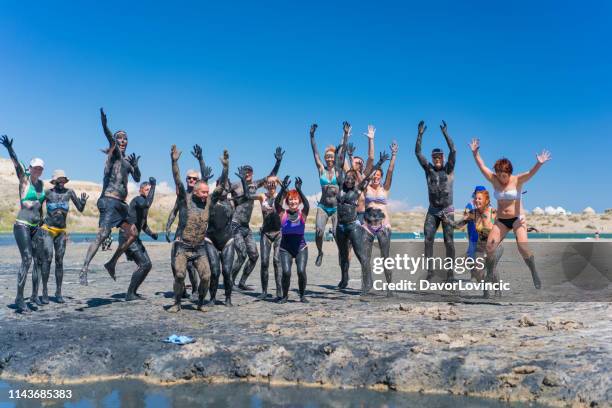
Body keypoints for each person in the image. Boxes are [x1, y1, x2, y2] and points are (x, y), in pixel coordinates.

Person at [470, 138, 551, 291]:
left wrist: (539, 163)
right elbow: (482, 167)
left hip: (517, 219)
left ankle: (533, 271)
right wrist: (475, 153)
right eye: (499, 174)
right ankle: (490, 273)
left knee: (522, 247)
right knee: (490, 246)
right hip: (501, 220)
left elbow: (530, 173)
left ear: (509, 172)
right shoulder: (494, 180)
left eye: (504, 175)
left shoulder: (517, 180)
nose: (502, 178)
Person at [80, 108, 141, 285]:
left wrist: (135, 166)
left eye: (125, 138)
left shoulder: (128, 162)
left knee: (133, 233)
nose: (122, 140)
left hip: (121, 204)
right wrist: (104, 124)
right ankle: (84, 269)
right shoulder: (114, 155)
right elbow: (109, 137)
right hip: (109, 200)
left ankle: (111, 262)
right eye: (119, 138)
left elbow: (137, 177)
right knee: (103, 234)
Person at [335, 122, 389, 293]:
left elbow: (368, 173)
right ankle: (345, 278)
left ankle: (368, 283)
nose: (350, 178)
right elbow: (340, 162)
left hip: (357, 220)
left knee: (361, 254)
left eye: (359, 163)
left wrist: (380, 161)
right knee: (343, 254)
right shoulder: (342, 183)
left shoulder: (361, 180)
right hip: (341, 225)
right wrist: (345, 137)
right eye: (354, 163)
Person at [168, 145, 216, 313]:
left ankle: (201, 303)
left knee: (206, 276)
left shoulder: (207, 199)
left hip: (199, 247)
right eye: (191, 179)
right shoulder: (184, 198)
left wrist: (225, 167)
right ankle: (177, 302)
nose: (204, 193)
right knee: (180, 275)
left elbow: (212, 183)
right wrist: (174, 161)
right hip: (183, 246)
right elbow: (177, 180)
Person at [1, 135, 45, 313]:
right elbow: (17, 165)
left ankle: (34, 296)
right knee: (26, 259)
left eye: (40, 168)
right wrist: (10, 150)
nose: (38, 170)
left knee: (38, 260)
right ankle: (19, 298)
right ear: (30, 168)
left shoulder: (41, 184)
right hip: (22, 225)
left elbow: (40, 206)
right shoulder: (25, 180)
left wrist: (42, 221)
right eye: (35, 168)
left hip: (36, 227)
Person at [230, 147, 284, 290]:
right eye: (245, 172)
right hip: (235, 224)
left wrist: (278, 162)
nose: (247, 174)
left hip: (246, 226)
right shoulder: (236, 184)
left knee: (254, 256)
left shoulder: (255, 185)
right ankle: (230, 282)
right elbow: (222, 190)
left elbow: (270, 177)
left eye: (249, 172)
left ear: (252, 174)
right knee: (241, 254)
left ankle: (242, 282)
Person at [32, 170, 88, 305]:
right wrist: (40, 219)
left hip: (61, 231)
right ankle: (44, 292)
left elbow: (80, 209)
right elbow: (37, 205)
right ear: (55, 182)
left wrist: (83, 202)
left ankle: (58, 292)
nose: (62, 183)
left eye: (63, 180)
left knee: (59, 261)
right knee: (48, 259)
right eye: (59, 181)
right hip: (48, 230)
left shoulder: (69, 193)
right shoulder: (48, 193)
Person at [415, 120, 456, 282]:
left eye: (439, 156)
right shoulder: (428, 169)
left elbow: (453, 149)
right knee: (428, 239)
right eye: (434, 157)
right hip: (432, 210)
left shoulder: (449, 168)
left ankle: (450, 274)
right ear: (432, 158)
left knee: (449, 241)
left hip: (447, 210)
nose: (437, 159)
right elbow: (418, 153)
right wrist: (420, 134)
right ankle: (430, 272)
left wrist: (445, 133)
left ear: (443, 157)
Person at [444, 188, 502, 292]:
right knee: (476, 270)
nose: (477, 200)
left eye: (480, 198)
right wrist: (447, 221)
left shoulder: (493, 212)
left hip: (495, 247)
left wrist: (523, 228)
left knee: (491, 269)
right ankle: (485, 291)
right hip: (479, 247)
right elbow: (459, 225)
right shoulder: (473, 213)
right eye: (476, 198)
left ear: (486, 200)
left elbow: (507, 224)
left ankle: (497, 290)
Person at [237, 173, 282, 300]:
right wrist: (243, 181)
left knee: (277, 261)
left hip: (279, 233)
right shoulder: (262, 196)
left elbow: (291, 193)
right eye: (269, 183)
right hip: (266, 233)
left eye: (274, 183)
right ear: (266, 185)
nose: (271, 185)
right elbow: (247, 195)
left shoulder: (281, 195)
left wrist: (279, 181)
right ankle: (264, 291)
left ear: (277, 184)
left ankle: (279, 291)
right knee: (264, 262)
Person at [361, 139, 398, 294]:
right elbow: (365, 172)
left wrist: (393, 155)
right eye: (374, 175)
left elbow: (390, 172)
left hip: (384, 226)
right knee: (365, 257)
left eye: (378, 175)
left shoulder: (385, 188)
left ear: (381, 177)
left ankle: (390, 287)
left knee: (385, 257)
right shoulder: (365, 187)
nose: (376, 177)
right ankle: (366, 286)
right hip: (367, 227)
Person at [204, 150, 236, 307]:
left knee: (227, 272)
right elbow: (222, 183)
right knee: (215, 271)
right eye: (221, 186)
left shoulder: (231, 203)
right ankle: (212, 298)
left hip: (228, 240)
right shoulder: (212, 200)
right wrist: (226, 167)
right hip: (210, 240)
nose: (223, 188)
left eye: (226, 187)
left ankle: (228, 298)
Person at [119, 177, 157, 301]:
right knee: (144, 264)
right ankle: (130, 294)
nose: (148, 192)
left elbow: (143, 224)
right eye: (147, 190)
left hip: (134, 237)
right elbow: (146, 203)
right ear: (141, 190)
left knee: (148, 265)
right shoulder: (138, 200)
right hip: (127, 236)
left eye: (149, 190)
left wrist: (151, 234)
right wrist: (154, 186)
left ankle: (133, 292)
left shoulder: (143, 206)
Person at [275, 176, 310, 303]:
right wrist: (282, 189)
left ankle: (302, 295)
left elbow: (306, 204)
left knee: (301, 271)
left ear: (298, 201)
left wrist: (299, 190)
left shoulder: (303, 213)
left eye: (295, 200)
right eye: (290, 200)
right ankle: (284, 296)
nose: (293, 202)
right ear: (287, 201)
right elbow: (276, 203)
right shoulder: (282, 214)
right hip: (285, 248)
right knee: (286, 272)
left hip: (301, 247)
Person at [309, 124, 340, 267]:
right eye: (327, 156)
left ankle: (342, 252)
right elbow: (315, 153)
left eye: (331, 156)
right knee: (319, 232)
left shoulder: (339, 170)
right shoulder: (321, 169)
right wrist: (312, 136)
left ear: (335, 158)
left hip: (336, 207)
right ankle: (320, 252)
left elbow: (343, 151)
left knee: (335, 233)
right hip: (323, 206)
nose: (328, 159)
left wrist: (345, 137)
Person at [464, 186, 487, 260]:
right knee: (472, 250)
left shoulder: (487, 205)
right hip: (472, 231)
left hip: (483, 232)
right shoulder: (470, 204)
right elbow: (466, 213)